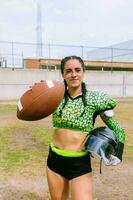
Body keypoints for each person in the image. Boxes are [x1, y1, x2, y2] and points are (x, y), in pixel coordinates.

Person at [46, 55, 125, 200]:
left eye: (77, 70)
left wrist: (118, 154)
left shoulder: (95, 100)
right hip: (55, 161)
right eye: (68, 71)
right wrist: (34, 92)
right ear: (63, 74)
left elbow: (118, 129)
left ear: (83, 72)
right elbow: (32, 105)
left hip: (79, 164)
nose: (73, 74)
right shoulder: (54, 97)